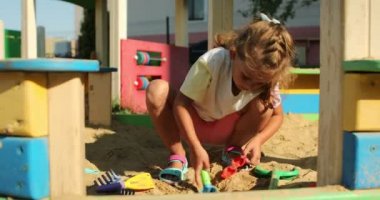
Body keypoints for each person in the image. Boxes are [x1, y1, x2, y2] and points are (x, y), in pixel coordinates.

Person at [146, 13, 295, 189]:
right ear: (233, 54)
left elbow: (277, 116)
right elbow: (181, 104)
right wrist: (194, 146)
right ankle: (178, 156)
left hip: (228, 131)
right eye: (246, 77)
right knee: (156, 90)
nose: (250, 86)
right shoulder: (213, 62)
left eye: (259, 83)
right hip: (191, 125)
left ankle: (232, 150)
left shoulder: (266, 75)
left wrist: (258, 140)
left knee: (265, 104)